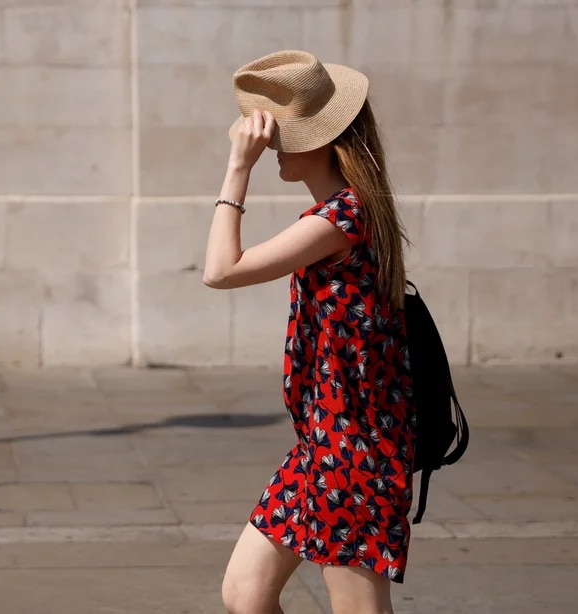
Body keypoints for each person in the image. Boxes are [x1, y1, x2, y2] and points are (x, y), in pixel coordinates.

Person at [203, 50, 415, 614]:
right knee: (246, 594)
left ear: (320, 142)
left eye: (285, 137)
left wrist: (238, 169)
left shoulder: (341, 219)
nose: (273, 146)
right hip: (323, 445)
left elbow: (220, 271)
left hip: (355, 451)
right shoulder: (348, 211)